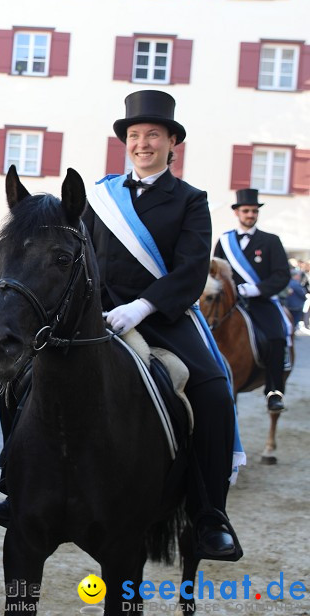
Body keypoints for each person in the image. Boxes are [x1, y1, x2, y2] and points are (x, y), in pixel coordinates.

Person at [76, 89, 240, 561]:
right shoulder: (100, 197)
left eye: (153, 135)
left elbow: (191, 271)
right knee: (27, 373)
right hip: (99, 313)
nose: (142, 143)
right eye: (134, 135)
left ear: (172, 144)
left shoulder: (191, 200)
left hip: (162, 315)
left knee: (212, 388)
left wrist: (145, 307)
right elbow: (82, 256)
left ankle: (210, 515)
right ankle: (14, 480)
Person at [213, 189, 292, 413]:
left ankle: (274, 391)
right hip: (230, 303)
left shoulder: (270, 241)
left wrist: (256, 289)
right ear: (237, 212)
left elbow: (281, 275)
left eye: (254, 211)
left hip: (260, 301)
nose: (250, 215)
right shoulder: (225, 241)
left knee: (277, 336)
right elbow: (216, 271)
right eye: (246, 210)